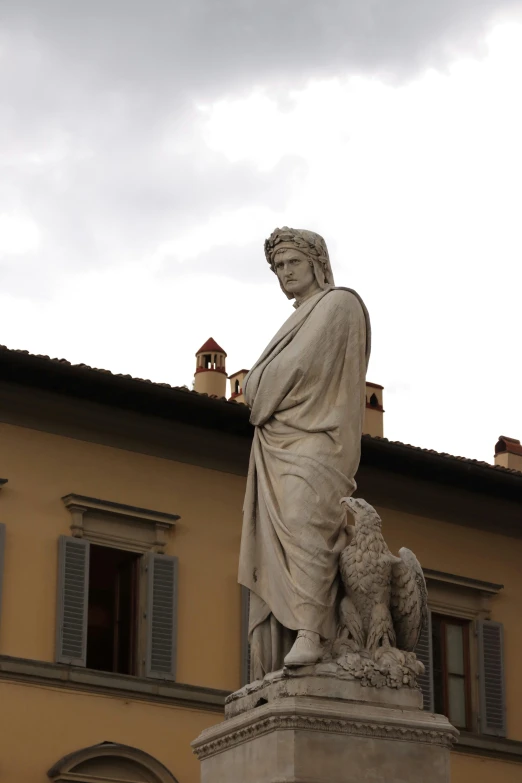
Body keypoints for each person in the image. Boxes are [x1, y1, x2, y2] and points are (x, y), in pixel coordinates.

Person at [238, 227, 371, 679]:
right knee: (284, 540)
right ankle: (293, 637)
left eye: (292, 263)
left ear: (317, 263)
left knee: (305, 524)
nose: (284, 273)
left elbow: (291, 372)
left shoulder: (339, 305)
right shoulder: (298, 318)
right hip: (280, 446)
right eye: (278, 267)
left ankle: (312, 633)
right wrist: (259, 386)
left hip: (319, 441)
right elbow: (264, 384)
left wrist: (259, 386)